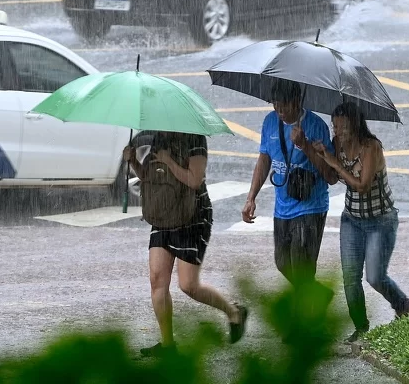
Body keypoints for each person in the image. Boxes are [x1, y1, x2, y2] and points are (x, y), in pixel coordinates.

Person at [123, 130, 248, 356]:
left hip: (192, 216)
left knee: (188, 285)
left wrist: (169, 160)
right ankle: (168, 344)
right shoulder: (157, 137)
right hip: (163, 214)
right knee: (157, 281)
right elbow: (150, 177)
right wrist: (132, 160)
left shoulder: (195, 139)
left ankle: (234, 312)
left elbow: (194, 180)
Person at [311, 102, 409, 343]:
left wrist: (335, 163)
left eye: (343, 127)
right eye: (334, 126)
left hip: (381, 220)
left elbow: (362, 186)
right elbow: (331, 178)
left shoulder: (371, 148)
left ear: (356, 125)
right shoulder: (337, 144)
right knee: (350, 277)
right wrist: (315, 152)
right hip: (352, 220)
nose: (337, 132)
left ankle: (403, 304)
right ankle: (361, 326)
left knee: (375, 277)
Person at [242, 81, 338, 283]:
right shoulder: (270, 122)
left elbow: (331, 176)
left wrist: (305, 146)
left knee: (301, 267)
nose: (280, 110)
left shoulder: (316, 126)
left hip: (310, 207)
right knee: (283, 262)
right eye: (275, 105)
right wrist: (251, 197)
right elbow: (264, 159)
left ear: (297, 101)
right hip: (282, 206)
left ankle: (306, 311)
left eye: (284, 105)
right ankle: (316, 297)